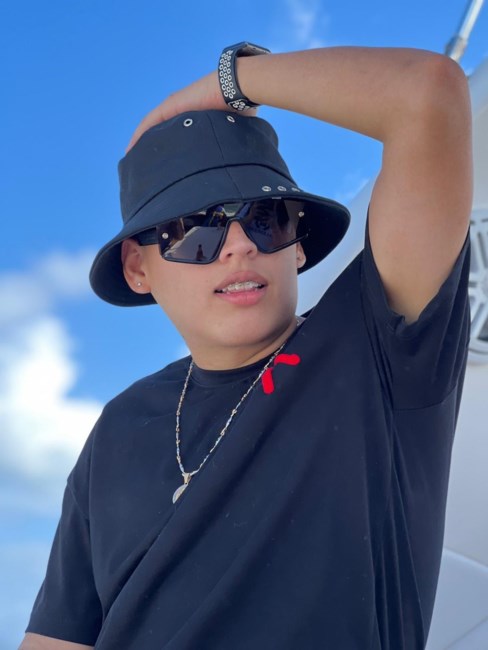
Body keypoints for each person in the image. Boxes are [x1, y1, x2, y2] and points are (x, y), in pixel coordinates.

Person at [20, 43, 472, 650]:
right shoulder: (121, 424)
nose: (239, 245)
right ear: (138, 268)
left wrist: (227, 82)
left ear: (299, 243)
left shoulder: (380, 350)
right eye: (195, 229)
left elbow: (427, 91)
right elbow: (56, 639)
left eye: (265, 218)